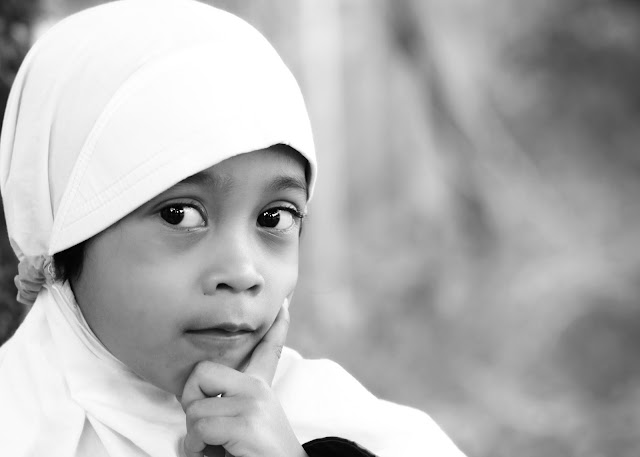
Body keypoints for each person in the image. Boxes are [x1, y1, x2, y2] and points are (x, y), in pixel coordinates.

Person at [0, 1, 466, 456]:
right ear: (61, 236)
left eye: (274, 217)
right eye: (180, 215)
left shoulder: (356, 434)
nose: (243, 272)